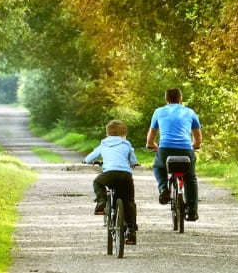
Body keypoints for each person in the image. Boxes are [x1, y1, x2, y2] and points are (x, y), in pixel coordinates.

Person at [146, 87, 203, 221]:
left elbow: (152, 134)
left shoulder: (158, 112)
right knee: (190, 178)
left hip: (165, 149)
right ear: (180, 98)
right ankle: (192, 212)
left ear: (166, 99)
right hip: (186, 150)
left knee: (158, 166)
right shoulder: (190, 112)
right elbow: (198, 136)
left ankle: (163, 189)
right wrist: (195, 146)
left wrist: (152, 145)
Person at [85, 119, 139, 245]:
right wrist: (133, 164)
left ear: (107, 134)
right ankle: (131, 231)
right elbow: (133, 160)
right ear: (123, 135)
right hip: (125, 175)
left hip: (109, 174)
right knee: (129, 201)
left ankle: (101, 202)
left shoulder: (104, 144)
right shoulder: (126, 144)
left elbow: (89, 158)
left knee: (97, 182)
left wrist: (88, 161)